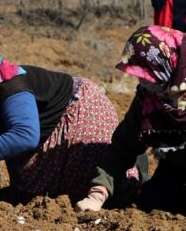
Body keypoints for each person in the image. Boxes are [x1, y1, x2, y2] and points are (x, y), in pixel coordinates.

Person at [0, 42, 118, 202]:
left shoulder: (10, 87)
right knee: (28, 190)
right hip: (39, 123)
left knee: (77, 183)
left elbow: (25, 136)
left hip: (79, 108)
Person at [77, 26, 186, 214]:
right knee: (150, 203)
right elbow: (123, 147)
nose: (143, 83)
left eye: (148, 76)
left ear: (168, 63)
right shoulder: (149, 100)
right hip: (178, 167)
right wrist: (98, 193)